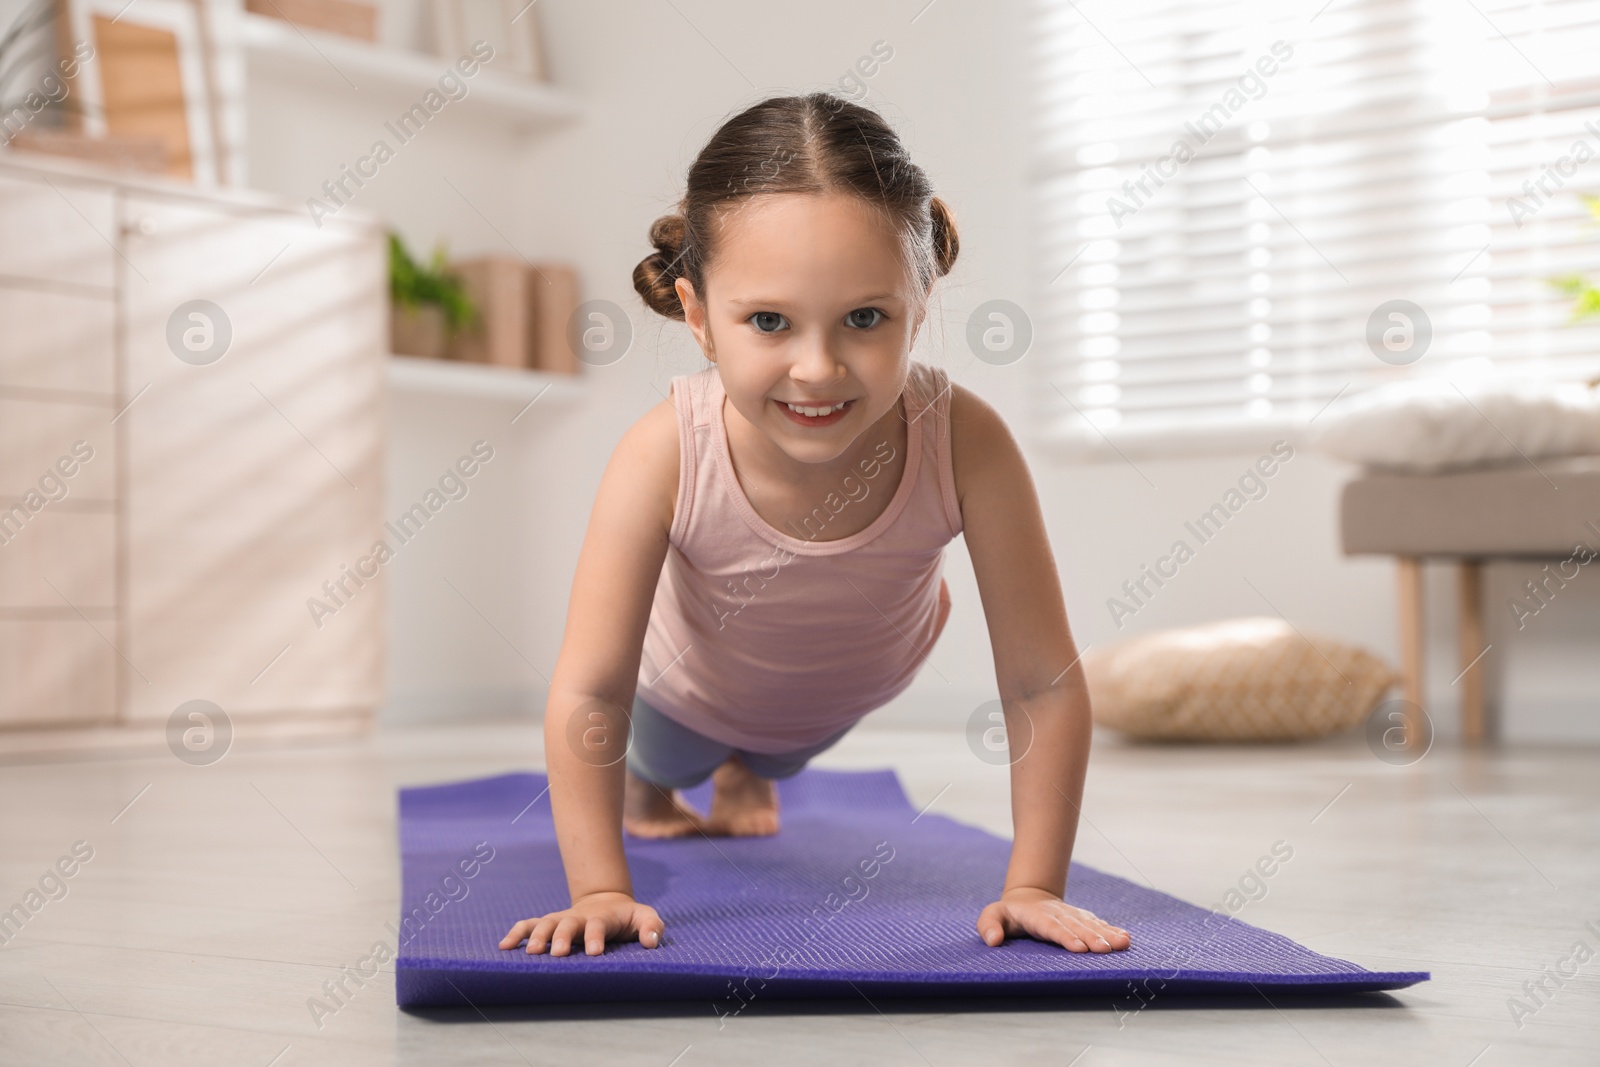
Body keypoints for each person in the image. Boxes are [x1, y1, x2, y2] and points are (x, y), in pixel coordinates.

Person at [498, 92, 1130, 961]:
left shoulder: (967, 440)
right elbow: (591, 691)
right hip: (685, 697)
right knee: (666, 758)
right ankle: (669, 787)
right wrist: (602, 885)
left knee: (776, 759)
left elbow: (1043, 684)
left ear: (921, 294)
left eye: (865, 319)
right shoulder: (663, 452)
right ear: (696, 315)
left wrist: (1034, 884)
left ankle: (750, 767)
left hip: (836, 699)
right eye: (768, 322)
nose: (818, 368)